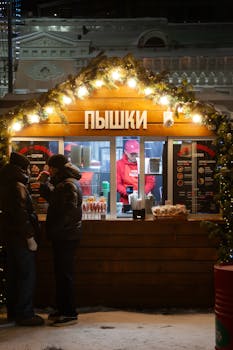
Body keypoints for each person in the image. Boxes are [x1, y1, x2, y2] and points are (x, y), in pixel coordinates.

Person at [0, 152, 44, 326]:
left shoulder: (6, 183)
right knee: (26, 275)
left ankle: (13, 311)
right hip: (20, 238)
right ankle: (25, 313)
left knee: (13, 275)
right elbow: (21, 215)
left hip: (10, 237)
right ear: (22, 168)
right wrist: (30, 237)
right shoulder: (17, 186)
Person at [39, 154, 82, 327]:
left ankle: (69, 313)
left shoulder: (68, 184)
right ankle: (62, 309)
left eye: (50, 167)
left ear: (55, 168)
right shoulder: (65, 183)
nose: (48, 170)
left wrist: (56, 230)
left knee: (65, 275)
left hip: (66, 236)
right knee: (62, 274)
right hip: (65, 235)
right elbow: (56, 201)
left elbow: (67, 213)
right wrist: (44, 185)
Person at [117, 140, 155, 204]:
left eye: (136, 154)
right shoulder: (119, 164)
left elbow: (150, 182)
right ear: (125, 152)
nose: (134, 157)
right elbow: (117, 184)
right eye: (132, 154)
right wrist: (129, 193)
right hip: (126, 202)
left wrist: (141, 193)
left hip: (143, 200)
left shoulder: (146, 163)